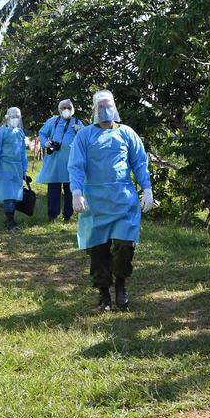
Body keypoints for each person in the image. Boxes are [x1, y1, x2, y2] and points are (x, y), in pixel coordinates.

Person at [69, 90, 154, 311]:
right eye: (100, 106)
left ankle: (121, 284)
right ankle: (104, 294)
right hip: (95, 202)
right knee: (98, 249)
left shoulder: (127, 133)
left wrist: (147, 189)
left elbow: (140, 162)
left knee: (125, 246)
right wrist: (76, 192)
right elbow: (76, 166)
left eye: (108, 105)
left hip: (123, 200)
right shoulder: (84, 135)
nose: (105, 109)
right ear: (94, 110)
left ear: (115, 108)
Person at [36, 99, 83, 222]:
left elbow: (85, 140)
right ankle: (52, 216)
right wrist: (45, 143)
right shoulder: (52, 121)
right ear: (59, 109)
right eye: (63, 107)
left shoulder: (78, 122)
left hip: (71, 164)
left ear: (72, 109)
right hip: (54, 163)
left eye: (68, 107)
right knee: (53, 192)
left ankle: (68, 215)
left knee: (70, 190)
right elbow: (42, 133)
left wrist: (80, 131)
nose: (66, 109)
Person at [0, 107, 29, 230]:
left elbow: (22, 152)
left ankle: (11, 219)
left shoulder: (20, 133)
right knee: (8, 195)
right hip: (5, 167)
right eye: (13, 117)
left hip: (17, 168)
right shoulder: (1, 132)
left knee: (15, 195)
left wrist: (24, 169)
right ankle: (9, 221)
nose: (15, 119)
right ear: (7, 117)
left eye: (17, 117)